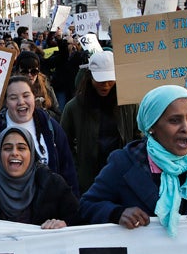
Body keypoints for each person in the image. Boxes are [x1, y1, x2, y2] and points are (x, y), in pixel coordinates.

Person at [80, 85, 187, 236]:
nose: (186, 128)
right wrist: (117, 213)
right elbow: (87, 205)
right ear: (152, 125)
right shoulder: (124, 162)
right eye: (174, 120)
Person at [59, 50, 139, 192]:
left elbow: (138, 136)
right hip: (88, 180)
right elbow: (64, 144)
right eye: (100, 81)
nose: (105, 85)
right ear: (89, 77)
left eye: (110, 80)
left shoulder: (129, 105)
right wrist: (77, 171)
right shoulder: (74, 107)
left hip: (123, 176)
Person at [0, 127, 77, 229]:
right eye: (7, 148)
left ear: (31, 153)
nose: (14, 153)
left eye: (21, 148)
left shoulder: (52, 184)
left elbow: (78, 220)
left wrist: (64, 224)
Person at [14, 51, 59, 117]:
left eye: (34, 71)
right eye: (25, 72)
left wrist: (42, 110)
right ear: (18, 72)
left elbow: (58, 116)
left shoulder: (46, 87)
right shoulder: (10, 89)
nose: (29, 75)